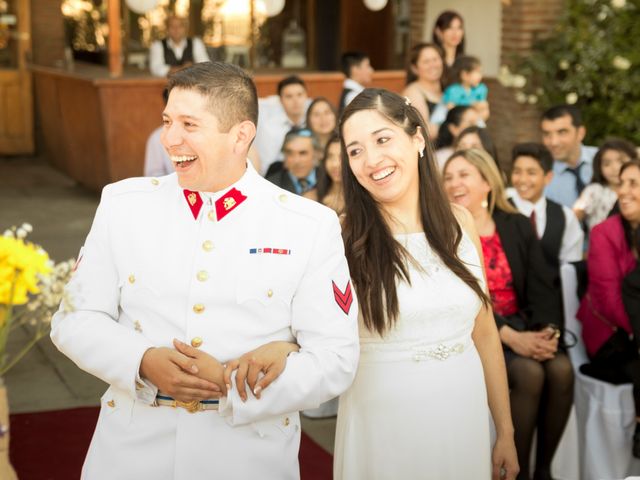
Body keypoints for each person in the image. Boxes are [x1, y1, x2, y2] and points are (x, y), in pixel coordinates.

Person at [50, 62, 360, 479]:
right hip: (131, 453)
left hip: (247, 456)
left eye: (189, 124)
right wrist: (141, 360)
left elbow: (335, 358)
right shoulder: (123, 205)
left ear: (241, 136)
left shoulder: (306, 225)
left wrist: (230, 385)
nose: (169, 139)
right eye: (167, 121)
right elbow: (74, 318)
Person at [334, 89, 519, 480]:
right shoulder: (343, 235)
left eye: (382, 139)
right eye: (355, 151)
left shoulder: (460, 221)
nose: (371, 161)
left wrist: (505, 430)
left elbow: (484, 333)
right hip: (384, 422)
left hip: (463, 411)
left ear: (417, 139)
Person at [443, 148, 573, 480]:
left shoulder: (514, 223)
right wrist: (511, 336)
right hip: (477, 333)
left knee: (560, 369)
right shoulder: (443, 232)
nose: (454, 183)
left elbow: (543, 283)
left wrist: (548, 332)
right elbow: (459, 298)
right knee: (530, 373)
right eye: (448, 177)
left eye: (464, 175)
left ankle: (544, 469)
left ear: (487, 181)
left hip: (523, 324)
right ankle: (518, 471)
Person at [577, 159, 640, 459]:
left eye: (634, 184)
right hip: (610, 334)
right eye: (622, 183)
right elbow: (608, 300)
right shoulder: (605, 232)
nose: (624, 191)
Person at [509, 142, 584, 270]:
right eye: (517, 172)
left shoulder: (565, 216)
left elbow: (571, 267)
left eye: (531, 173)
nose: (522, 179)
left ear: (548, 177)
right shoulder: (499, 211)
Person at [573, 138, 637, 231]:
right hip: (602, 243)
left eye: (621, 161)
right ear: (599, 167)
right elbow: (573, 216)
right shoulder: (594, 191)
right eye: (607, 164)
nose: (615, 168)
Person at [541, 104, 598, 207]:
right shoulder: (541, 176)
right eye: (547, 134)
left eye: (562, 132)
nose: (554, 142)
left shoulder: (604, 159)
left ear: (580, 133)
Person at [255, 75, 309, 176]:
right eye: (289, 96)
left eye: (299, 95)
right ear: (280, 100)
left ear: (306, 96)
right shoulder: (270, 129)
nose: (295, 101)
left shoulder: (313, 121)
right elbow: (266, 166)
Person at [401, 42, 447, 138]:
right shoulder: (413, 92)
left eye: (435, 59)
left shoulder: (448, 89)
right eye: (426, 61)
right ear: (414, 68)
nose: (433, 65)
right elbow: (425, 132)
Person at [266, 128, 319, 196]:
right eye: (290, 153)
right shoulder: (271, 185)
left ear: (317, 154)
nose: (296, 160)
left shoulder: (330, 181)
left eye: (303, 153)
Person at [443, 55, 490, 121]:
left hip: (474, 121)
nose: (481, 75)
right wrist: (471, 105)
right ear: (464, 75)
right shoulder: (454, 90)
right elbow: (450, 109)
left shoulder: (480, 89)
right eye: (478, 72)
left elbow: (484, 112)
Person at [315, 133, 344, 214]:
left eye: (342, 157)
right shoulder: (311, 197)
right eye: (330, 157)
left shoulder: (365, 200)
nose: (335, 164)